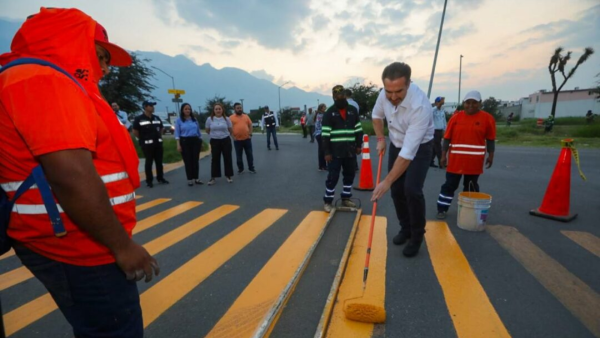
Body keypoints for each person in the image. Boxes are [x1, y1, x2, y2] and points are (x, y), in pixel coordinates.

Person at [0, 8, 158, 337]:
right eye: (99, 55)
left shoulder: (42, 80)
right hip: (80, 246)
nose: (104, 68)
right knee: (114, 329)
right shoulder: (45, 81)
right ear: (72, 43)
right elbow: (70, 175)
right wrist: (121, 247)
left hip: (74, 236)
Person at [371, 62, 434, 258]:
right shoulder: (385, 94)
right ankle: (405, 228)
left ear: (408, 83)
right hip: (397, 143)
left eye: (398, 91)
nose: (393, 97)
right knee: (397, 191)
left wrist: (385, 182)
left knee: (411, 190)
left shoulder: (420, 107)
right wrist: (381, 139)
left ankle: (417, 236)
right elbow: (376, 116)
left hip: (420, 146)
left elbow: (408, 153)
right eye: (389, 92)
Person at [436, 90, 496, 219]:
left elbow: (490, 139)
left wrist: (491, 155)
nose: (471, 105)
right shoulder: (456, 118)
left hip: (474, 162)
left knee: (471, 187)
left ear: (480, 103)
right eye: (468, 102)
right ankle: (442, 209)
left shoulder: (487, 119)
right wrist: (443, 155)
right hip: (456, 161)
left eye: (474, 103)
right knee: (449, 185)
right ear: (464, 103)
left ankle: (470, 210)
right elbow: (447, 138)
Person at [322, 85, 362, 212]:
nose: (340, 97)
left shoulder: (352, 110)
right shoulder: (329, 112)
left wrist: (358, 145)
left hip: (350, 150)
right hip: (335, 152)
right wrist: (327, 152)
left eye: (342, 94)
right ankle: (328, 201)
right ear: (333, 97)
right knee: (333, 177)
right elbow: (325, 134)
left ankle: (346, 198)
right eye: (337, 95)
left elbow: (358, 129)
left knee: (349, 175)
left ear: (345, 95)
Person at [133, 100, 170, 187]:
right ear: (145, 107)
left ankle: (160, 178)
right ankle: (149, 181)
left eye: (153, 106)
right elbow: (135, 131)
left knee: (159, 162)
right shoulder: (139, 119)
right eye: (151, 106)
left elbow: (161, 129)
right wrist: (143, 139)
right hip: (147, 145)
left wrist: (158, 136)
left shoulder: (156, 118)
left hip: (158, 144)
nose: (153, 107)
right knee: (149, 162)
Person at [205, 102, 234, 185]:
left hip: (225, 140)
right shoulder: (209, 119)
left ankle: (228, 176)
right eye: (216, 109)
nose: (218, 110)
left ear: (222, 110)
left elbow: (230, 129)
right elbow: (207, 130)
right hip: (214, 141)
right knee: (215, 159)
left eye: (219, 109)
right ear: (214, 110)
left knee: (227, 158)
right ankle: (213, 177)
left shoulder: (226, 119)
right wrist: (214, 135)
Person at [175, 103, 203, 186]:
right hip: (185, 141)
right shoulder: (179, 120)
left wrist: (200, 142)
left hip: (195, 141)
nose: (187, 110)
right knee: (188, 161)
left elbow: (198, 132)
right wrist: (178, 144)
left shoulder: (194, 119)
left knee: (195, 160)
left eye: (189, 109)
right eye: (186, 109)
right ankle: (189, 179)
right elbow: (177, 133)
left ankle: (196, 178)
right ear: (182, 110)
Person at [230, 102, 256, 174]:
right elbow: (229, 128)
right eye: (237, 108)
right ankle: (241, 169)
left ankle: (251, 168)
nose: (239, 109)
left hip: (247, 139)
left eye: (240, 108)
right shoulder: (231, 118)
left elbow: (250, 125)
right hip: (237, 140)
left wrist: (250, 134)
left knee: (249, 154)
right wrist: (233, 137)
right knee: (239, 156)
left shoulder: (246, 116)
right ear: (234, 109)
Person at [345, 89, 361, 172]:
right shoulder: (355, 103)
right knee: (353, 145)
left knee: (347, 145)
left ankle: (352, 165)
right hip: (355, 125)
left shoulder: (346, 104)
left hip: (348, 126)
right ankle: (354, 164)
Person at [431, 96, 447, 168]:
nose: (442, 103)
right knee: (438, 147)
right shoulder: (433, 110)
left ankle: (430, 161)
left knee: (435, 147)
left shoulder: (442, 111)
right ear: (436, 102)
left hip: (440, 130)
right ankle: (441, 162)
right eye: (440, 101)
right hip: (435, 130)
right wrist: (436, 105)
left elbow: (444, 121)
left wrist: (445, 129)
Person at [314, 103, 328, 171]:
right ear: (321, 108)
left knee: (321, 150)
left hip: (318, 134)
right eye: (324, 107)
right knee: (323, 150)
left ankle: (322, 165)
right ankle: (323, 166)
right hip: (321, 134)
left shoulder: (318, 114)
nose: (325, 108)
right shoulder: (321, 115)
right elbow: (321, 125)